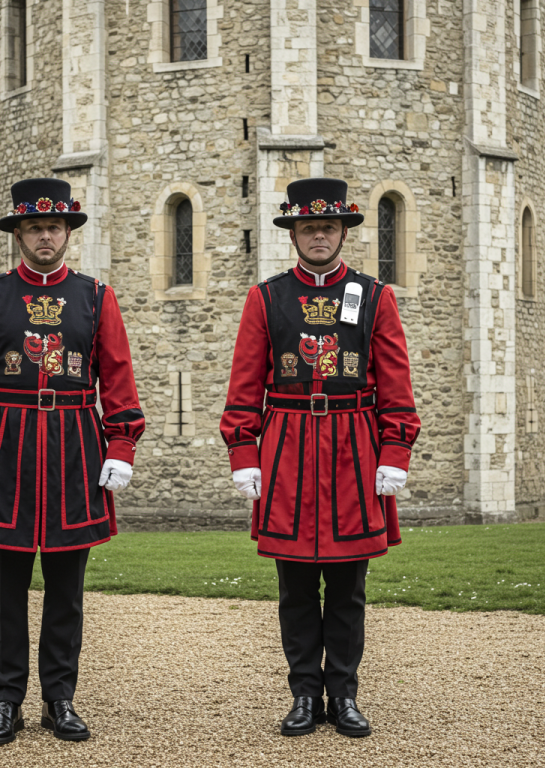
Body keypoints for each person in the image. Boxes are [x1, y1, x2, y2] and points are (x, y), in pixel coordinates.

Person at [0, 177, 145, 746]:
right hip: (6, 441)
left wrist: (122, 444)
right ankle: (5, 701)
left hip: (76, 443)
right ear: (20, 234)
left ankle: (60, 698)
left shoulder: (96, 296)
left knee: (66, 589)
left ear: (67, 233)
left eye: (54, 227)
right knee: (5, 589)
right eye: (35, 228)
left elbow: (119, 378)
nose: (46, 237)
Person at [220, 178, 419, 738]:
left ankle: (345, 694)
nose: (318, 236)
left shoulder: (375, 297)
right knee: (296, 586)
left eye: (327, 227)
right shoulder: (266, 298)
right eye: (309, 227)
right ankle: (305, 693)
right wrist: (244, 450)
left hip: (355, 448)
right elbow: (244, 384)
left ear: (342, 233)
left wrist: (395, 449)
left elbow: (396, 386)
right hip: (285, 446)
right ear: (294, 234)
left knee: (349, 587)